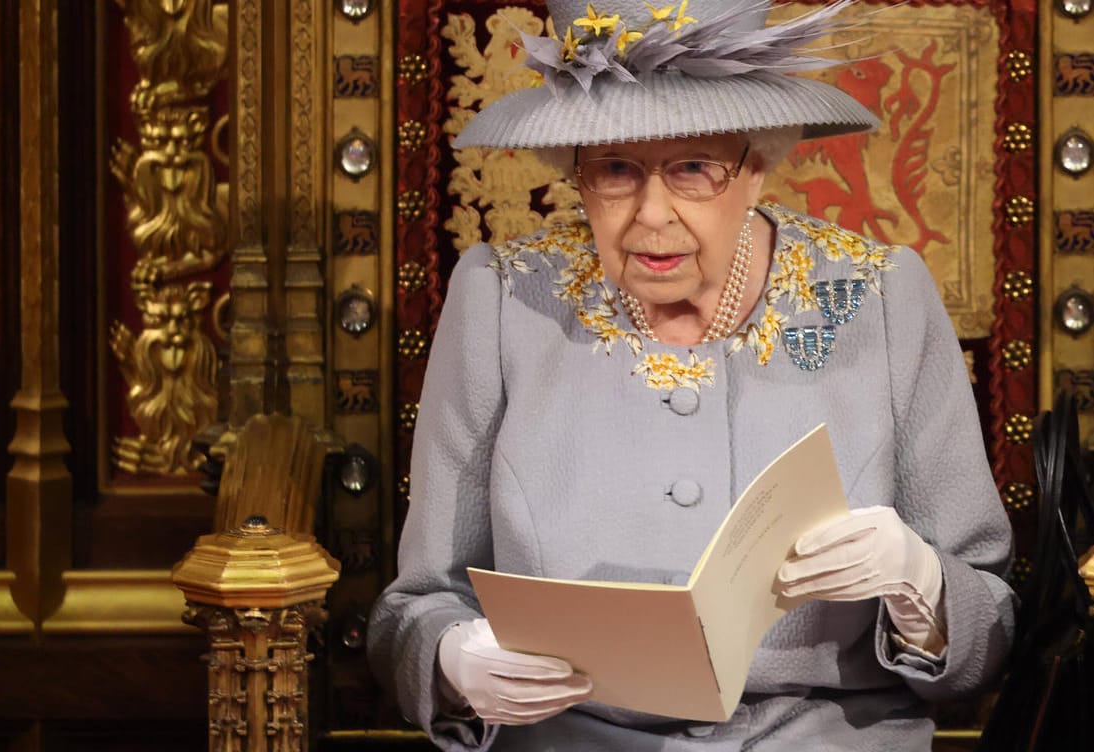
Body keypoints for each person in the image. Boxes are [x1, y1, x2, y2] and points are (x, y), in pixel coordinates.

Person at [367, 0, 1016, 749]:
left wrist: (920, 586)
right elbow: (414, 608)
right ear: (574, 174)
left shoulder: (878, 295)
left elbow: (988, 632)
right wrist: (452, 660)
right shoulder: (505, 300)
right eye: (614, 169)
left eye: (692, 169)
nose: (650, 214)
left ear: (756, 166)